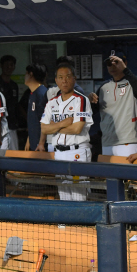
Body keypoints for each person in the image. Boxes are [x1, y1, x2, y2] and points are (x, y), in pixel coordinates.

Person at [39, 60, 93, 200]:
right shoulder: (52, 102)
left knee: (78, 196)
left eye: (68, 76)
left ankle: (82, 223)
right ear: (56, 80)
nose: (65, 80)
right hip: (59, 153)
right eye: (61, 77)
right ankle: (66, 223)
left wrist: (54, 127)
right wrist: (63, 123)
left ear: (74, 79)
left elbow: (76, 128)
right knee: (63, 195)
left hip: (77, 152)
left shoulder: (81, 100)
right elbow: (44, 129)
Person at [88, 53, 137, 157]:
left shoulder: (132, 82)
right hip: (107, 141)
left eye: (117, 62)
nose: (113, 65)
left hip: (128, 141)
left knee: (129, 173)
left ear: (125, 63)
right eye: (109, 63)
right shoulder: (103, 87)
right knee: (109, 173)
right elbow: (92, 112)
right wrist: (90, 101)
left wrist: (125, 70)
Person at [0, 55, 20, 150]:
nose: (9, 67)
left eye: (11, 65)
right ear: (1, 66)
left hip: (12, 124)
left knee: (14, 154)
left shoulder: (14, 85)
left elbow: (16, 105)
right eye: (6, 65)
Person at [23, 65, 50, 152]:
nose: (25, 77)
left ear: (31, 74)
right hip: (34, 142)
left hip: (42, 145)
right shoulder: (33, 93)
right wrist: (29, 139)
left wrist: (41, 143)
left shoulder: (42, 93)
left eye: (26, 74)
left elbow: (45, 121)